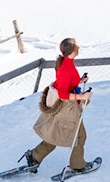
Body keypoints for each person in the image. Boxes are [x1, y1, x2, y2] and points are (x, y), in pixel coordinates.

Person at [23, 38, 94, 172]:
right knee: (79, 136)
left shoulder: (67, 62)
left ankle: (35, 157)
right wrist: (82, 96)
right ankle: (78, 166)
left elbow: (65, 83)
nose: (79, 47)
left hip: (65, 107)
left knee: (55, 134)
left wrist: (79, 81)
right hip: (67, 108)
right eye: (77, 45)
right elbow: (62, 93)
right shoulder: (66, 67)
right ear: (73, 50)